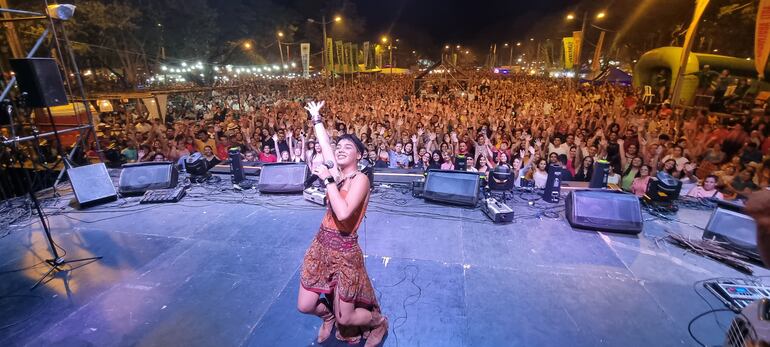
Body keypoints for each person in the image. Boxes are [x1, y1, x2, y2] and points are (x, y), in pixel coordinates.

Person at [297, 101, 387, 346]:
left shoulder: (360, 179)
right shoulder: (336, 173)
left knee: (346, 318)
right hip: (321, 245)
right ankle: (327, 317)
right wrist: (316, 118)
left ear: (359, 155)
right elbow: (326, 144)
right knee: (304, 305)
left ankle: (379, 322)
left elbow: (344, 213)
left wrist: (327, 181)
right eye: (339, 147)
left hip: (346, 251)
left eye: (349, 146)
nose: (340, 149)